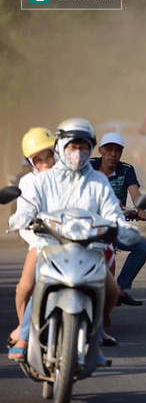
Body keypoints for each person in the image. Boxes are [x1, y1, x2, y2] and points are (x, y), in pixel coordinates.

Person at [8, 118, 140, 364]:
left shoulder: (99, 181)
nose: (77, 153)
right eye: (72, 146)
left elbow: (112, 211)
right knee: (37, 286)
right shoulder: (45, 179)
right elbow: (29, 205)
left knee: (110, 292)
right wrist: (22, 217)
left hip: (90, 248)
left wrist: (123, 228)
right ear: (62, 147)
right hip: (53, 245)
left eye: (83, 147)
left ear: (91, 148)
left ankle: (93, 341)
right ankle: (25, 336)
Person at [7, 128, 56, 352]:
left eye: (50, 156)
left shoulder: (69, 176)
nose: (47, 163)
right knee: (25, 289)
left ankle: (96, 332)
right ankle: (23, 329)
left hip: (73, 242)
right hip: (41, 242)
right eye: (40, 159)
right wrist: (36, 238)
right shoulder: (27, 182)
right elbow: (23, 214)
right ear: (31, 162)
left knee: (104, 284)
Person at [90, 132, 146, 306]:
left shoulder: (126, 169)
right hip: (87, 225)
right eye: (109, 149)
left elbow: (135, 194)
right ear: (100, 150)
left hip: (113, 227)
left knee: (142, 245)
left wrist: (140, 209)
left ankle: (120, 289)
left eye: (117, 150)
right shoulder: (89, 166)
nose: (113, 154)